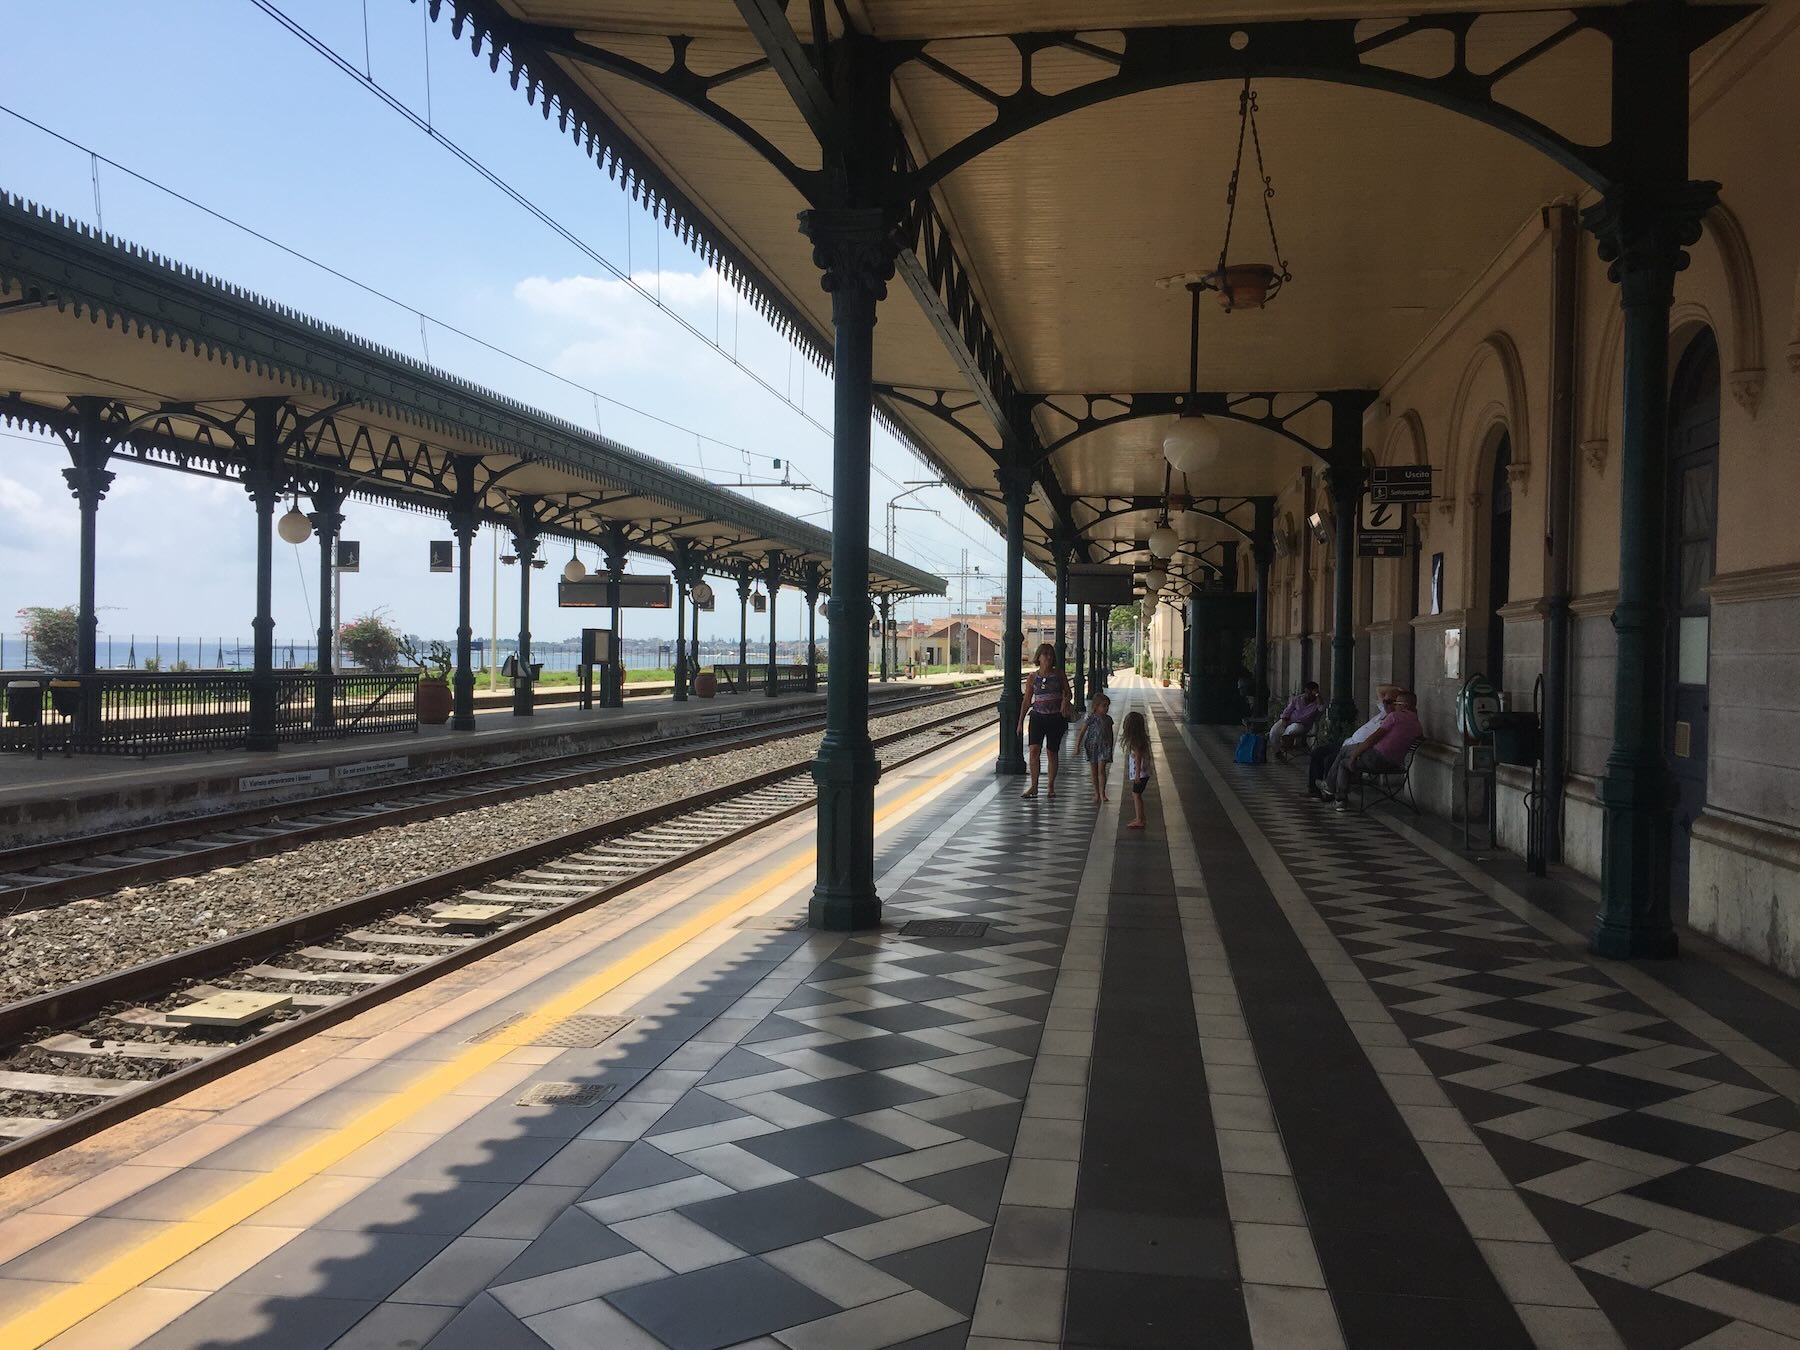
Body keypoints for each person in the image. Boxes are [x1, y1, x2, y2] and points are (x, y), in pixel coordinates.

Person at [1330, 689, 1423, 810]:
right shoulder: (1417, 725)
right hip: (1395, 764)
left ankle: (1337, 796)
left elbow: (1372, 739)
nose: (1394, 706)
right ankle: (1332, 789)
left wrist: (1354, 756)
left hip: (1376, 758)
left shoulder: (1394, 717)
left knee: (1344, 757)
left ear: (1404, 706)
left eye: (1396, 704)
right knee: (1347, 754)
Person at [1307, 684, 1399, 800]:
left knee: (1330, 759)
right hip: (1348, 743)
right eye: (1385, 701)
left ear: (1398, 704)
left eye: (1389, 702)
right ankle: (1315, 791)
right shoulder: (1384, 712)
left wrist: (1403, 697)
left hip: (1358, 749)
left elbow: (1374, 741)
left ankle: (1330, 793)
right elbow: (1379, 689)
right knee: (1317, 752)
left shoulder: (1394, 719)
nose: (1385, 704)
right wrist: (1400, 691)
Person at [1018, 642, 1073, 799]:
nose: (1049, 657)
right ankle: (1034, 786)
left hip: (1055, 718)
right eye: (1045, 654)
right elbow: (1027, 700)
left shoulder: (1059, 674)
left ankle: (1050, 786)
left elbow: (1069, 693)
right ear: (1039, 657)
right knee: (1034, 750)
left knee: (1051, 752)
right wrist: (1020, 721)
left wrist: (1064, 701)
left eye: (1051, 654)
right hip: (1037, 717)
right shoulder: (1032, 677)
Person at [1119, 709, 1153, 830]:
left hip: (1141, 774)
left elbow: (1138, 758)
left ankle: (1139, 819)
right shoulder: (1141, 739)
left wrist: (1137, 774)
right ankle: (1141, 817)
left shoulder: (1135, 742)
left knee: (1136, 795)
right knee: (1138, 795)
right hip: (1145, 773)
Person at [1079, 693, 1115, 802]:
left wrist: (1111, 745)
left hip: (1104, 746)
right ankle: (1096, 793)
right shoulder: (1092, 718)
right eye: (1103, 706)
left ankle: (1102, 793)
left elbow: (1110, 732)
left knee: (1101, 769)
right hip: (1092, 746)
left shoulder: (1108, 719)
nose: (1106, 708)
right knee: (1094, 770)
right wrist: (1078, 745)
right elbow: (1083, 731)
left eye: (1107, 706)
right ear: (1096, 706)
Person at [1273, 683, 1324, 760]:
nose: (1308, 695)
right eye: (1307, 692)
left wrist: (1317, 695)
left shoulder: (1317, 702)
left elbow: (1322, 709)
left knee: (1294, 727)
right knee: (1274, 732)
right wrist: (1284, 719)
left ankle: (1285, 741)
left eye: (1311, 692)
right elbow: (1288, 710)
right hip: (1288, 720)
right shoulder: (1298, 699)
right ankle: (1277, 752)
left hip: (1302, 725)